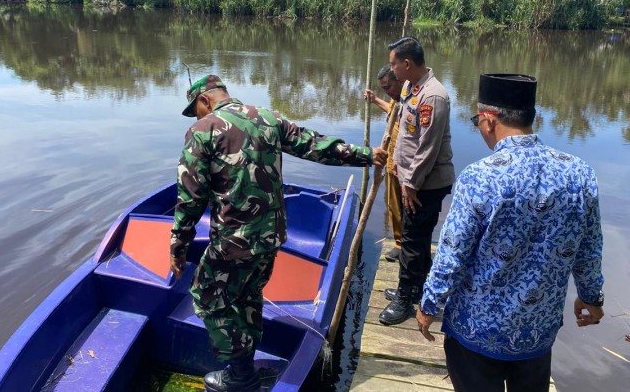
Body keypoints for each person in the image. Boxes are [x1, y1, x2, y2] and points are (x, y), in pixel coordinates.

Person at [170, 75, 387, 392]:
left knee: (207, 299)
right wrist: (367, 155)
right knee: (248, 298)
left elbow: (190, 199)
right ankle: (246, 369)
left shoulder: (202, 131)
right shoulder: (267, 118)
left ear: (205, 100)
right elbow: (314, 145)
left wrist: (178, 247)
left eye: (197, 110)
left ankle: (241, 377)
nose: (198, 117)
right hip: (271, 239)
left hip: (233, 244)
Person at [416, 73, 604, 392]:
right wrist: (592, 297)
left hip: (476, 333)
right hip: (537, 333)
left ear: (489, 120)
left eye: (477, 119)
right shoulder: (579, 174)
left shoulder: (480, 178)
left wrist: (429, 304)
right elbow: (590, 248)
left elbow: (453, 253)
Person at [379, 36, 455, 326]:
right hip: (412, 178)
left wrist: (409, 183)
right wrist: (396, 161)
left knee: (411, 239)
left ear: (407, 63)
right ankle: (418, 288)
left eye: (393, 64)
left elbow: (428, 147)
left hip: (425, 183)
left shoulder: (433, 96)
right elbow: (406, 134)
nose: (392, 70)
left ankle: (405, 299)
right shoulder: (411, 87)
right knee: (418, 238)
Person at [363, 64, 406, 262]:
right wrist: (375, 100)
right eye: (383, 90)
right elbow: (392, 111)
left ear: (399, 79)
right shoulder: (396, 98)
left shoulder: (410, 96)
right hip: (391, 159)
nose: (387, 92)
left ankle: (401, 244)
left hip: (403, 161)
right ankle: (401, 242)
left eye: (388, 87)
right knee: (392, 203)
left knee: (401, 203)